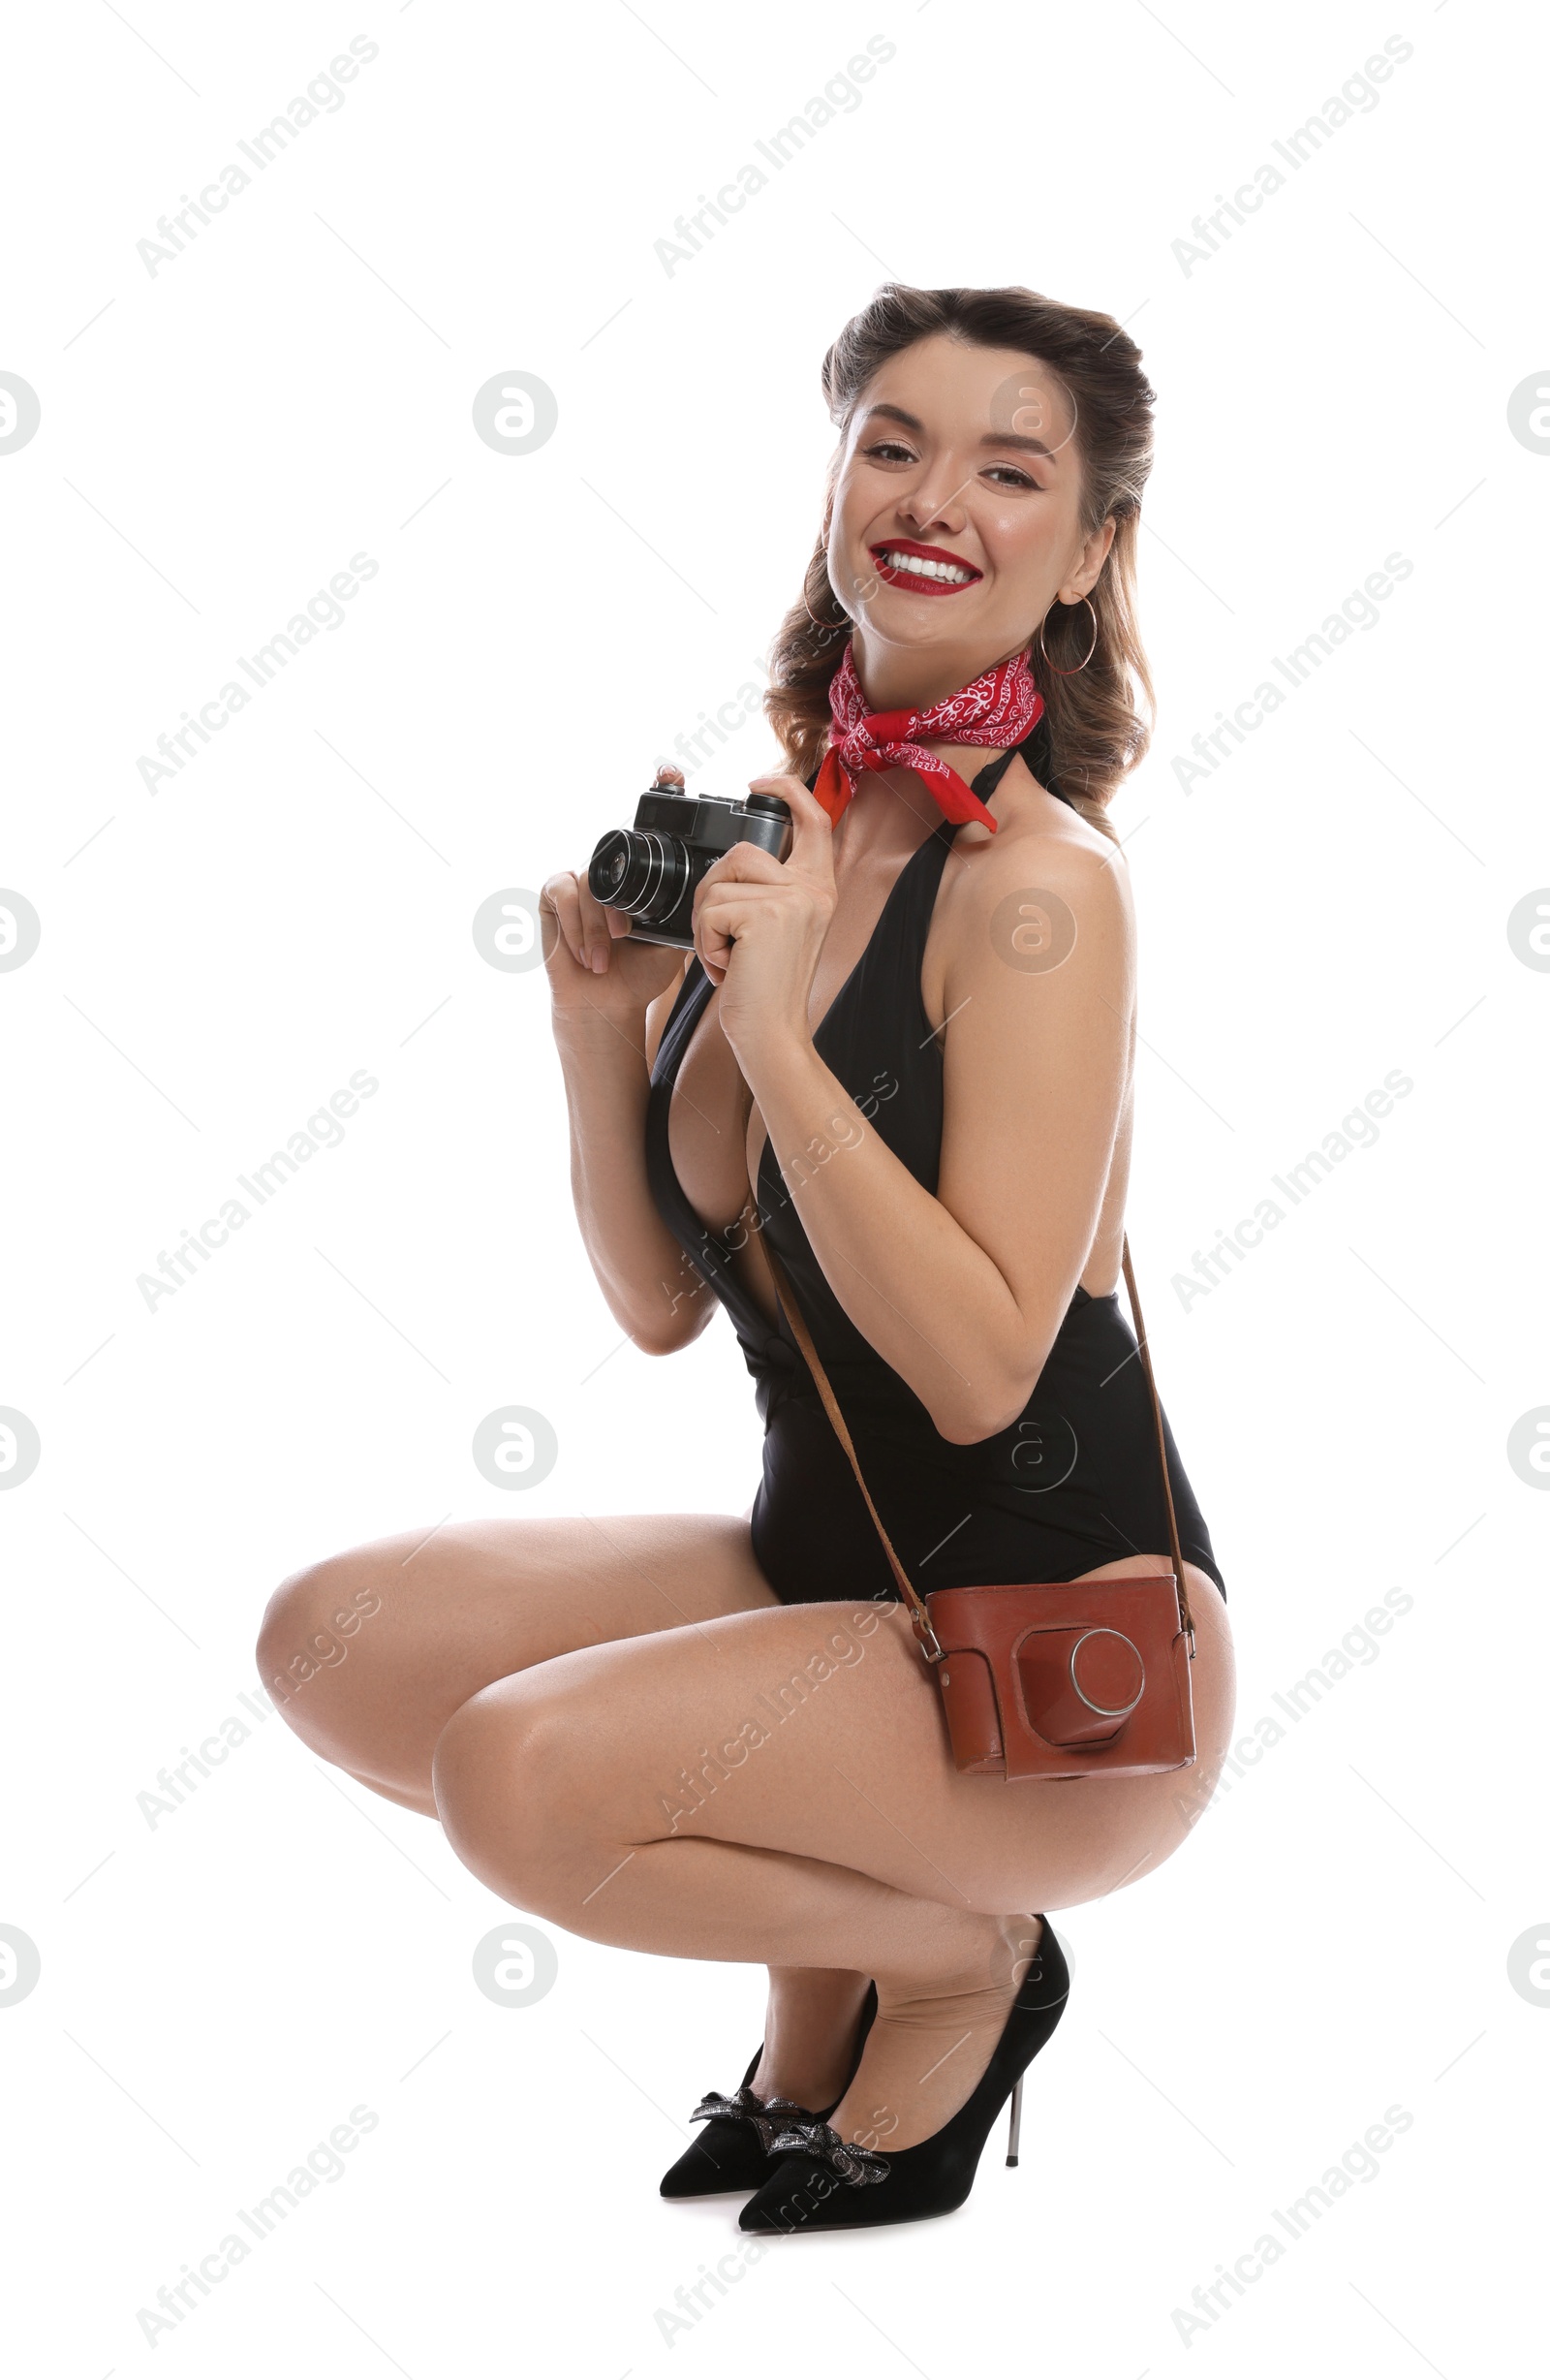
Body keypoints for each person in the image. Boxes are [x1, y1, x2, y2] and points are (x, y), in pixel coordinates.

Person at [257, 282, 1236, 2234]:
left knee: (516, 1779)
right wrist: (592, 1024)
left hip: (1060, 1676)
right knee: (334, 1647)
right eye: (890, 442)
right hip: (827, 1588)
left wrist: (778, 1035)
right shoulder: (793, 826)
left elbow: (974, 1374)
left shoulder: (1042, 889)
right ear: (833, 479)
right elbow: (653, 1304)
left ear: (1087, 544)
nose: (931, 496)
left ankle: (958, 1964)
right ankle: (841, 1956)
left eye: (1006, 466)